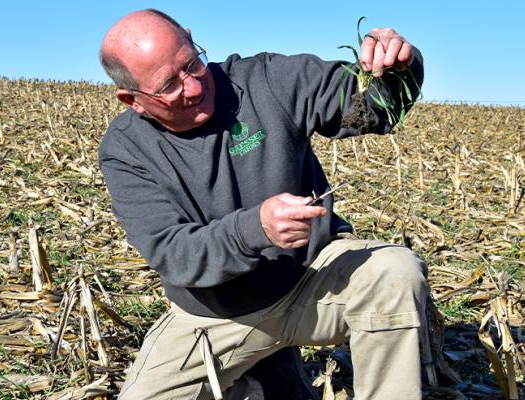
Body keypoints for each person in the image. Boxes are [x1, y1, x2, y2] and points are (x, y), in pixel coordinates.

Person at [99, 8, 428, 400]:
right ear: (131, 99)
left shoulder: (263, 81)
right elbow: (176, 254)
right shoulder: (126, 150)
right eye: (169, 84)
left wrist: (397, 69)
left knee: (395, 273)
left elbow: (372, 106)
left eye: (191, 63)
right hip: (212, 316)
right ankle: (260, 375)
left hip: (310, 282)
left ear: (190, 38)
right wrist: (257, 229)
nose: (192, 87)